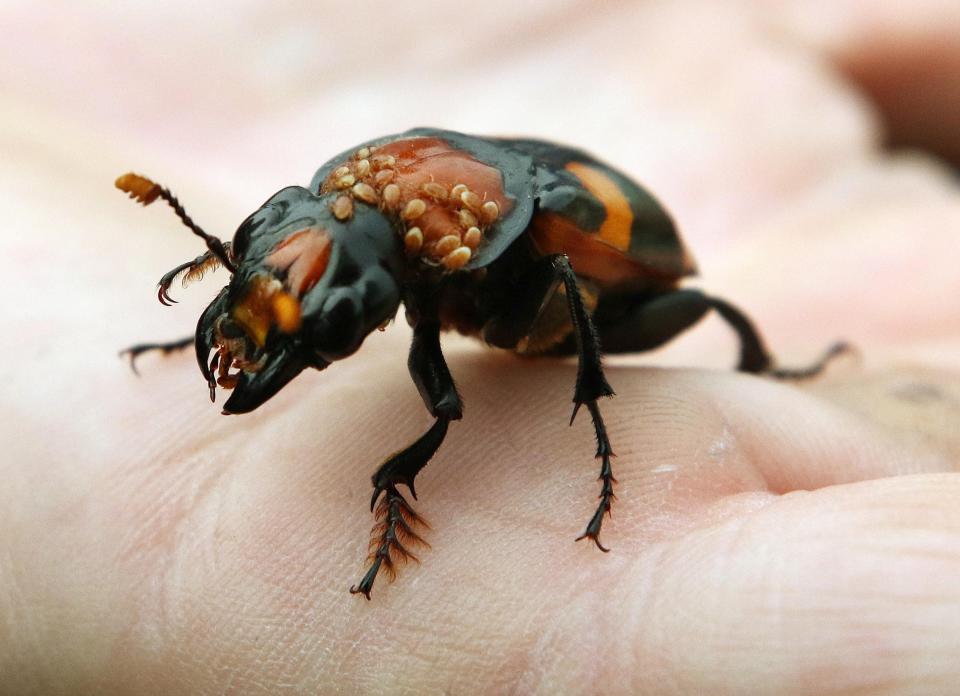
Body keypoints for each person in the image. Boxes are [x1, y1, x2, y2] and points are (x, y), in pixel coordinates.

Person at [2, 1, 959, 692]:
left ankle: (433, 471)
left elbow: (630, 297)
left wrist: (599, 431)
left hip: (580, 285)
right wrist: (243, 292)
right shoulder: (378, 196)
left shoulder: (500, 247)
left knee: (552, 341)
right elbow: (322, 232)